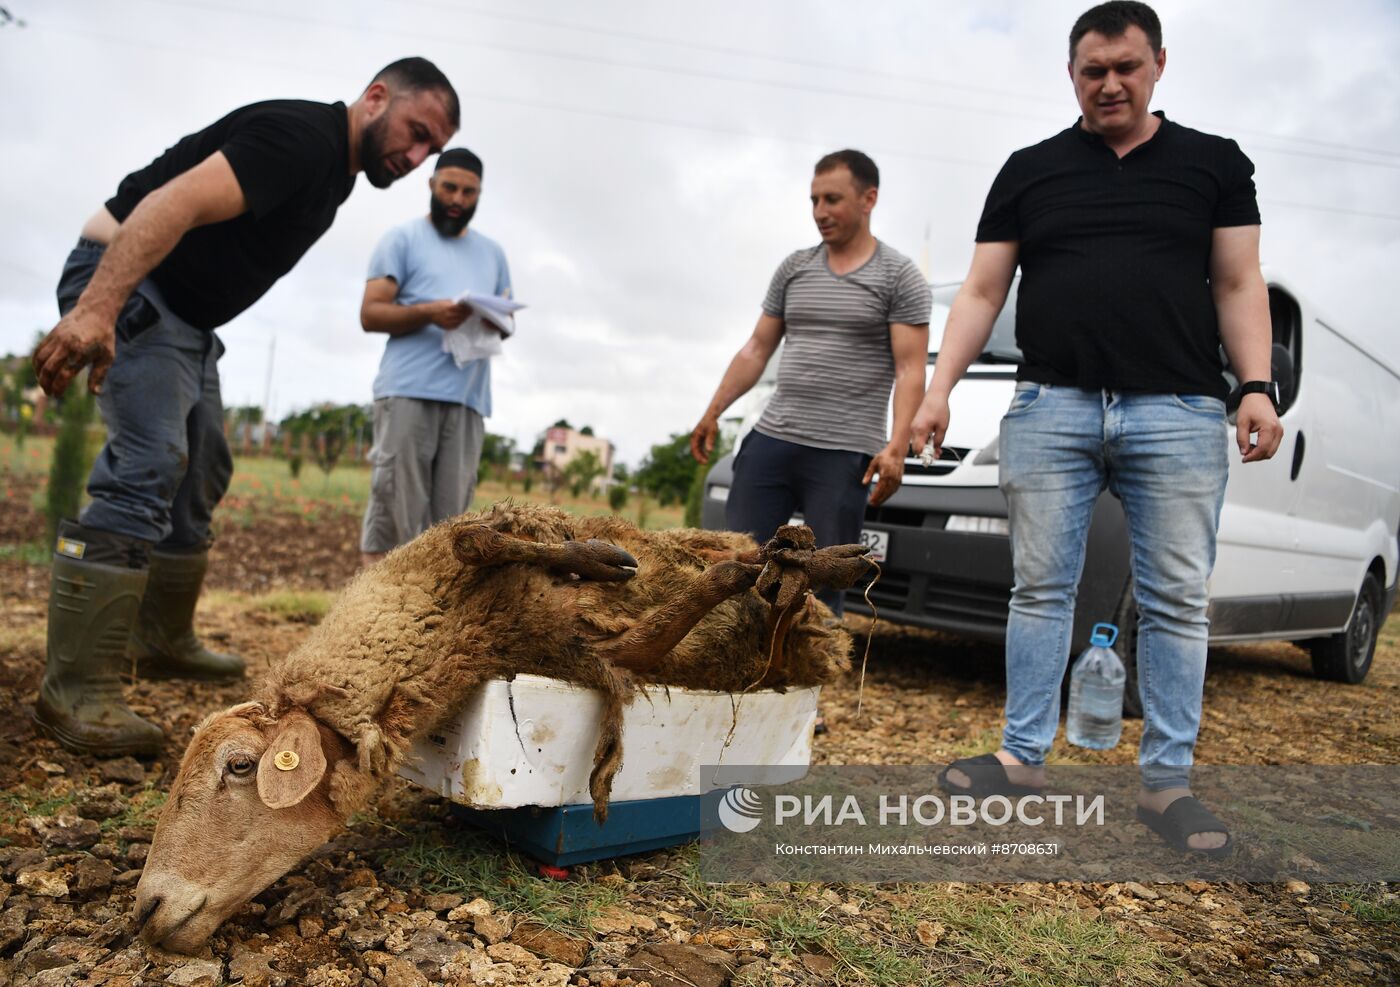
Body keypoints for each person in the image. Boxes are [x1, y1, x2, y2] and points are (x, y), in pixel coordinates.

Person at [912, 1, 1284, 855]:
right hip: (1053, 405)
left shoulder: (1215, 165)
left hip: (1182, 410)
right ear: (1072, 74)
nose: (1109, 82)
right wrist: (939, 390)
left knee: (1176, 601)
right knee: (1040, 589)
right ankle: (1022, 756)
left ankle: (1165, 785)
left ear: (1157, 64)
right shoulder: (1029, 170)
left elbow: (1238, 282)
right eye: (1092, 70)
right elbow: (980, 292)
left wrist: (1255, 386)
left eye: (1126, 66)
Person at [31, 57, 461, 758]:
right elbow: (170, 204)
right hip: (129, 279)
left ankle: (161, 636)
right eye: (414, 133)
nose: (414, 158)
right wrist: (98, 306)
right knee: (148, 462)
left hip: (186, 320)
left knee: (201, 467)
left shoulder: (335, 175)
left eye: (428, 151)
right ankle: (73, 687)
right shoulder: (300, 138)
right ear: (376, 97)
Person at [691, 149, 930, 631]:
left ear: (869, 199)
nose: (820, 212)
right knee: (739, 565)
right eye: (814, 200)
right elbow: (757, 348)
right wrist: (713, 411)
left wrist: (896, 447)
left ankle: (810, 703)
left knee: (823, 587)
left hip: (843, 453)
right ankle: (732, 693)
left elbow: (910, 369)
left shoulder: (899, 276)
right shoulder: (795, 268)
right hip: (774, 439)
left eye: (833, 199)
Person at [358, 147, 512, 567]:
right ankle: (376, 624)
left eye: (468, 191)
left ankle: (431, 628)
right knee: (395, 519)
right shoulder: (401, 239)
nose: (457, 199)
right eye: (449, 188)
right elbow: (370, 313)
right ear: (431, 185)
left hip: (467, 400)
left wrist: (494, 320)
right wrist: (430, 312)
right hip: (407, 391)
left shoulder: (493, 254)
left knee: (453, 532)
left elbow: (505, 316)